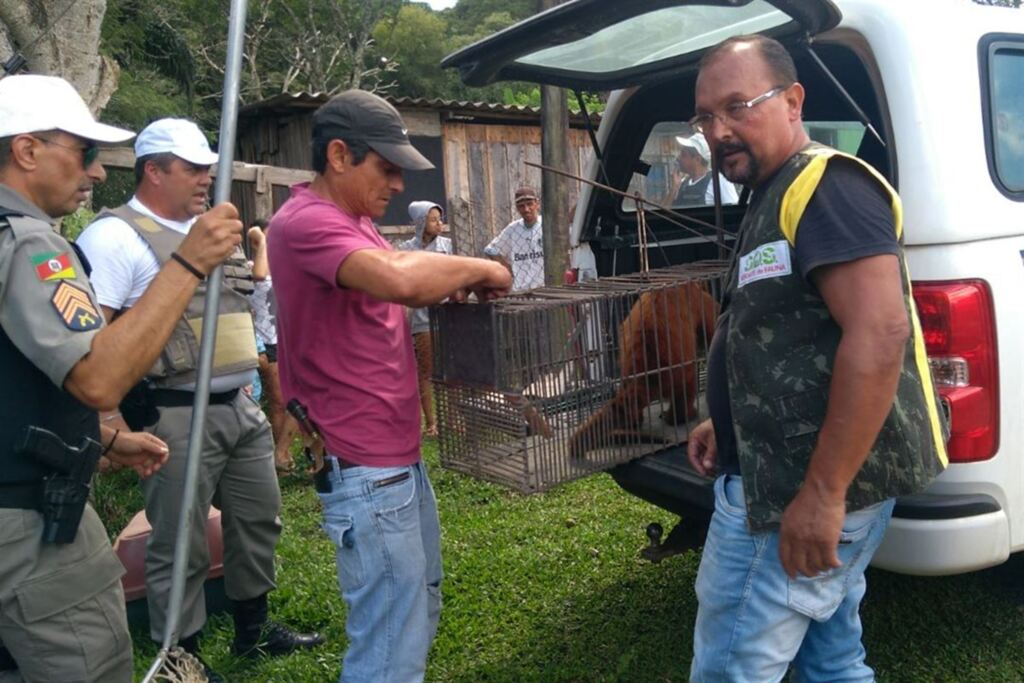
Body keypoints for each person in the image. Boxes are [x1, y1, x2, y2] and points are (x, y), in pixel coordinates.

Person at [684, 35, 948, 681]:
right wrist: (730, 416)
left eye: (737, 106)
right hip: (795, 476)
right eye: (706, 116)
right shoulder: (774, 191)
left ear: (793, 101)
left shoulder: (827, 188)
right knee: (830, 662)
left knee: (730, 669)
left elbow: (879, 334)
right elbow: (782, 327)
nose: (719, 131)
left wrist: (823, 495)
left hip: (793, 493)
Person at [0, 75, 243, 682]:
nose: (95, 171)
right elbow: (98, 379)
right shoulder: (31, 245)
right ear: (27, 150)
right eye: (84, 151)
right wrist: (188, 263)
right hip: (28, 520)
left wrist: (102, 438)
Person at [267, 89, 511, 683]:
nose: (399, 185)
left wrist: (443, 284)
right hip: (366, 465)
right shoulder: (306, 222)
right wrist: (484, 267)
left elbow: (386, 291)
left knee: (416, 609)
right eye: (387, 168)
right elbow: (397, 278)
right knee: (388, 647)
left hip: (395, 460)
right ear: (339, 156)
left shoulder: (354, 223)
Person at [77, 118, 322, 679]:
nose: (206, 179)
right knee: (179, 540)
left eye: (208, 168)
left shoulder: (213, 230)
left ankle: (253, 631)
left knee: (258, 520)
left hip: (240, 404)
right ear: (153, 171)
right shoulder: (115, 236)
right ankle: (180, 655)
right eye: (192, 168)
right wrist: (110, 422)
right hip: (173, 414)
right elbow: (93, 343)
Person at [398, 201, 453, 437]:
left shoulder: (447, 247)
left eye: (440, 219)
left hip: (447, 315)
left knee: (451, 369)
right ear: (421, 222)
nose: (439, 224)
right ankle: (431, 422)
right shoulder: (407, 250)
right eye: (433, 220)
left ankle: (451, 418)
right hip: (422, 317)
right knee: (426, 371)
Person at [248, 219, 299, 471]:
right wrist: (261, 241)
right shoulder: (251, 267)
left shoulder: (287, 266)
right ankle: (279, 456)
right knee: (277, 401)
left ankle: (282, 451)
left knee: (298, 398)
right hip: (266, 341)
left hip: (290, 339)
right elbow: (260, 276)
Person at [484, 186, 545, 292]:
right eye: (521, 206)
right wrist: (509, 270)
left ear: (537, 203)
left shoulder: (546, 224)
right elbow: (490, 250)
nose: (526, 209)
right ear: (517, 208)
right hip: (521, 289)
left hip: (546, 286)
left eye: (529, 204)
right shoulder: (513, 228)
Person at [668, 132, 739, 207]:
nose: (678, 158)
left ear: (697, 159)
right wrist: (674, 188)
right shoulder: (683, 183)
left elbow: (733, 210)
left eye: (683, 155)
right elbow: (664, 211)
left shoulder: (718, 181)